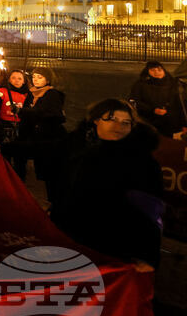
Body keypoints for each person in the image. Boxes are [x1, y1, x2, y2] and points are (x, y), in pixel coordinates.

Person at [48, 99, 164, 270]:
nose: (119, 126)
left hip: (113, 246)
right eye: (112, 119)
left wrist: (147, 256)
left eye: (126, 122)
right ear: (96, 120)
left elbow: (149, 211)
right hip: (71, 238)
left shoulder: (141, 162)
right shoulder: (83, 149)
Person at [17, 67, 67, 191]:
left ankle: (52, 198)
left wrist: (24, 111)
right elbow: (26, 113)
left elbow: (45, 112)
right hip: (33, 136)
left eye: (40, 77)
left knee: (50, 172)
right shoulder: (31, 93)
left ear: (48, 79)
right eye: (34, 77)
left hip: (49, 137)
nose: (36, 80)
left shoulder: (52, 94)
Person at [129, 60, 187, 139]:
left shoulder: (174, 84)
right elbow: (134, 101)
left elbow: (181, 105)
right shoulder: (141, 84)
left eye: (159, 70)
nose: (156, 72)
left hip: (172, 124)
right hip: (149, 122)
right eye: (153, 70)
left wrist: (184, 124)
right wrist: (152, 110)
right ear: (147, 72)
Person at [0, 69, 32, 176]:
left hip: (20, 129)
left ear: (24, 81)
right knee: (5, 158)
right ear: (9, 80)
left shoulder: (28, 94)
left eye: (20, 78)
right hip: (4, 128)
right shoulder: (1, 91)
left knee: (20, 160)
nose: (16, 81)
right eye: (13, 78)